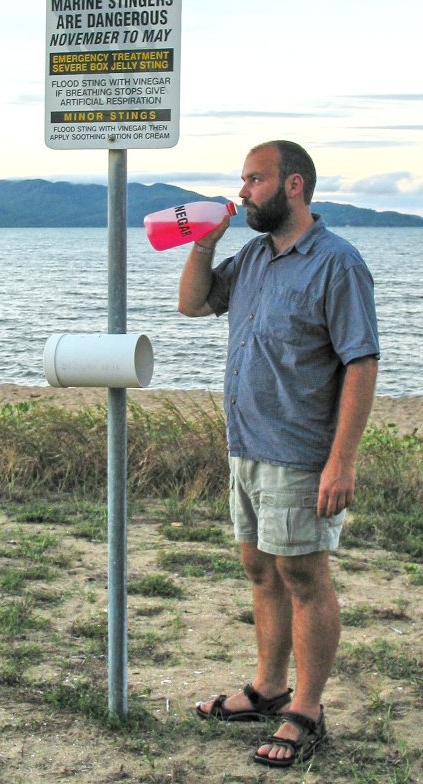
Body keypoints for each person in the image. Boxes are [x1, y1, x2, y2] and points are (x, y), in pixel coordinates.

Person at [178, 140, 380, 769]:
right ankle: (268, 689)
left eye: (254, 180)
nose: (242, 192)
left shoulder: (337, 264)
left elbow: (362, 362)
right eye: (242, 180)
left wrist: (341, 460)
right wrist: (205, 240)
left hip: (300, 453)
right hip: (246, 445)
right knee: (261, 572)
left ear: (293, 186)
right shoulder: (253, 257)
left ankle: (307, 712)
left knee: (304, 578)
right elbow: (193, 303)